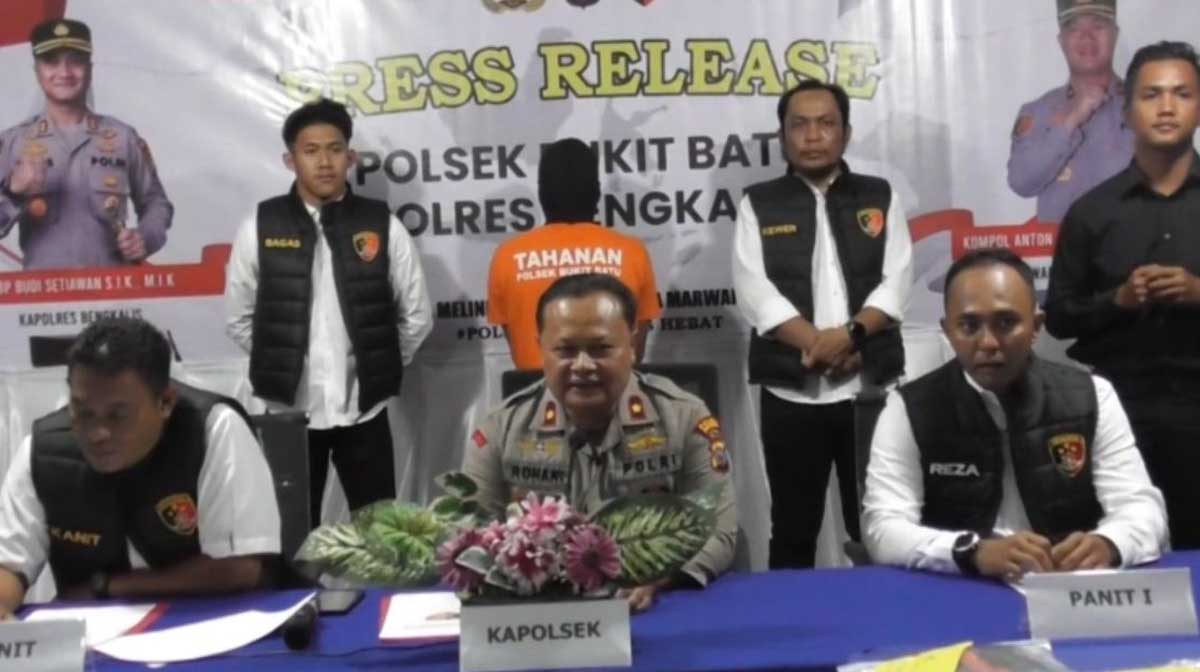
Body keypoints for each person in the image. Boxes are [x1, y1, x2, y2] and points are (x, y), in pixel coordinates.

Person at [864, 249, 1166, 578]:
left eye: (1006, 323)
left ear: (1036, 326)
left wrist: (1109, 543)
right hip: (963, 584)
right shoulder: (908, 408)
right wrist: (970, 552)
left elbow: (1142, 508)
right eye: (969, 325)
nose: (988, 342)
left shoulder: (1093, 395)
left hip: (1066, 584)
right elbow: (883, 528)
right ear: (947, 330)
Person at [463, 273, 736, 611]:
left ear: (632, 346)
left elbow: (720, 530)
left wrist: (657, 575)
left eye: (600, 348)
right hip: (541, 613)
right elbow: (471, 535)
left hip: (652, 608)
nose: (582, 365)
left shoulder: (684, 417)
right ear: (541, 348)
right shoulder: (500, 428)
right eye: (565, 350)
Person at [225, 98, 432, 527]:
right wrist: (281, 362)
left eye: (335, 150)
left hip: (363, 411)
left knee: (381, 536)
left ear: (350, 157)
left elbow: (417, 315)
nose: (324, 162)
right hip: (288, 412)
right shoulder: (260, 226)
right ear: (290, 160)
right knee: (291, 537)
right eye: (311, 151)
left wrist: (379, 362)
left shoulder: (381, 225)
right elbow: (239, 319)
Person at [732, 80, 912, 569]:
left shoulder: (879, 195)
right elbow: (755, 293)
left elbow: (896, 281)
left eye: (826, 123)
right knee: (793, 531)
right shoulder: (758, 203)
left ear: (846, 133)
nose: (813, 136)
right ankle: (790, 621)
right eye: (800, 125)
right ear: (782, 136)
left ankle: (882, 614)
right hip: (792, 393)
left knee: (875, 525)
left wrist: (851, 337)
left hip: (869, 392)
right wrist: (820, 345)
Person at [0, 317, 281, 618]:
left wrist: (107, 587)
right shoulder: (42, 452)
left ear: (165, 402)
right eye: (83, 412)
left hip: (215, 622)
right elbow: (9, 565)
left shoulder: (213, 429)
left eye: (118, 415)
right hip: (94, 636)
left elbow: (241, 568)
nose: (97, 433)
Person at [1045, 41, 1200, 549]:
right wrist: (1120, 300)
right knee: (1126, 550)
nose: (1167, 107)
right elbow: (1059, 316)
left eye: (1182, 94)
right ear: (1126, 110)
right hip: (1120, 414)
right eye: (1152, 95)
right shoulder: (1092, 212)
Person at [0, 18, 173, 270]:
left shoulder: (122, 137)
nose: (64, 72)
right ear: (37, 70)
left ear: (89, 68)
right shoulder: (12, 143)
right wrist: (13, 192)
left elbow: (156, 203)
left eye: (75, 61)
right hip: (43, 292)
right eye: (51, 61)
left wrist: (145, 237)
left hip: (114, 290)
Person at [487, 137, 661, 370]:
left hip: (535, 389)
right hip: (610, 388)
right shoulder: (632, 252)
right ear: (596, 192)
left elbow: (517, 346)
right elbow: (633, 352)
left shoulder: (507, 257)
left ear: (542, 192)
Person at [1006, 0, 1132, 225]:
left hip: (1129, 243)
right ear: (1061, 41)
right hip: (1062, 245)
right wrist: (1069, 122)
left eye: (1098, 25)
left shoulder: (1144, 106)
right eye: (1074, 28)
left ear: (1115, 34)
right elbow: (1021, 182)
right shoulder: (1039, 112)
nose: (1087, 37)